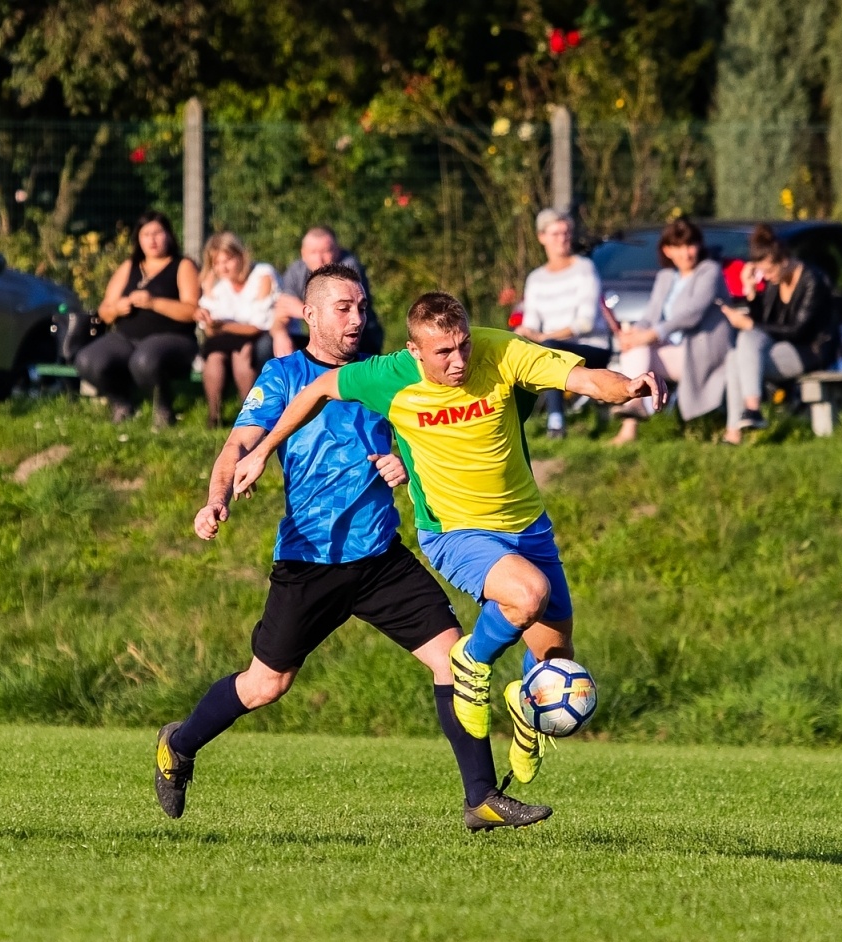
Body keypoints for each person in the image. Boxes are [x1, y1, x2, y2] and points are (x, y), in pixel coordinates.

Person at [155, 265, 552, 833]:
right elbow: (237, 445)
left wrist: (401, 462)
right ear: (310, 314)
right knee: (266, 684)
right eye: (343, 308)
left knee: (455, 661)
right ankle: (179, 744)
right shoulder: (285, 375)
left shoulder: (383, 376)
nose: (356, 318)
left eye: (361, 307)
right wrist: (216, 498)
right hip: (310, 561)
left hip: (380, 557)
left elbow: (428, 438)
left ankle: (481, 798)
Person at [232, 292, 663, 788]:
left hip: (528, 527)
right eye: (444, 352)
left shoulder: (502, 351)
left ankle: (527, 714)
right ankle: (472, 664)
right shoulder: (388, 375)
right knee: (528, 595)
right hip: (455, 531)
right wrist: (262, 451)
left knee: (553, 664)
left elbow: (583, 378)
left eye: (463, 346)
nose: (459, 361)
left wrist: (627, 387)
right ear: (415, 351)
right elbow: (318, 389)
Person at [607, 217, 733, 444]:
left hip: (700, 351)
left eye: (690, 245)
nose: (686, 253)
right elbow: (650, 315)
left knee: (639, 347)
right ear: (667, 250)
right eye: (679, 247)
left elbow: (692, 314)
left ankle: (632, 419)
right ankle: (633, 414)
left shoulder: (710, 271)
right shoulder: (666, 276)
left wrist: (651, 335)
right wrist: (634, 334)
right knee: (634, 348)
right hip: (670, 349)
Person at [77, 211, 201, 427]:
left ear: (169, 235)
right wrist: (117, 309)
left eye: (157, 233)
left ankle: (163, 407)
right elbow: (104, 311)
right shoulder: (129, 266)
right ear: (138, 239)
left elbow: (192, 310)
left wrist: (154, 302)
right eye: (146, 234)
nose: (152, 240)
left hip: (174, 338)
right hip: (126, 338)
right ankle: (121, 403)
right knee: (87, 360)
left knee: (143, 361)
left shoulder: (183, 265)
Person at [719, 224, 835, 444]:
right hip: (780, 346)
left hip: (809, 350)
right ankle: (738, 427)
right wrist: (750, 292)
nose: (766, 276)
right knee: (736, 353)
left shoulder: (813, 281)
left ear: (784, 260)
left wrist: (749, 323)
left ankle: (747, 415)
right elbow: (763, 322)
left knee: (742, 351)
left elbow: (798, 330)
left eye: (769, 271)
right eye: (762, 272)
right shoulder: (775, 280)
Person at [514, 208, 610, 439]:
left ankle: (556, 421)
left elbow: (585, 323)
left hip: (591, 346)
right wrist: (524, 332)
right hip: (552, 344)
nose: (562, 239)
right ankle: (513, 421)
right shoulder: (535, 279)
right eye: (556, 234)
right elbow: (532, 321)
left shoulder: (584, 268)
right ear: (542, 237)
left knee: (551, 350)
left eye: (566, 233)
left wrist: (544, 337)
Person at [195, 231, 278, 428]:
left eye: (228, 260)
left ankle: (248, 413)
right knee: (214, 356)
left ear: (241, 256)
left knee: (243, 353)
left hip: (260, 335)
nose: (222, 267)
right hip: (228, 336)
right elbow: (210, 331)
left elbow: (258, 325)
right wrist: (207, 302)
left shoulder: (263, 275)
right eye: (216, 263)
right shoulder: (216, 284)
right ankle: (214, 416)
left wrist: (222, 325)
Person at [270, 226, 385, 358]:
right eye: (313, 252)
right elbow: (281, 312)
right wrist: (280, 334)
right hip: (321, 339)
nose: (319, 259)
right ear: (303, 253)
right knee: (270, 345)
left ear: (337, 251)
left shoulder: (348, 269)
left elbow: (340, 314)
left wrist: (302, 310)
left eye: (325, 251)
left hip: (360, 336)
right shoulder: (296, 272)